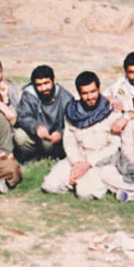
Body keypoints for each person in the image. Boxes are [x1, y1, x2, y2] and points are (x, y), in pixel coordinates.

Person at [42, 71, 121, 199]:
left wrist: (89, 163)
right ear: (79, 93)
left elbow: (115, 146)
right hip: (77, 159)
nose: (89, 97)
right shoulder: (72, 112)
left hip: (99, 162)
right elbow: (69, 141)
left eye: (93, 91)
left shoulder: (112, 112)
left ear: (99, 89)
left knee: (84, 193)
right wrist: (77, 162)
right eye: (85, 93)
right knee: (50, 185)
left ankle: (93, 184)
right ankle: (77, 181)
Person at [14, 64, 74, 162]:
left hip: (55, 138)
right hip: (35, 135)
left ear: (54, 81)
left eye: (46, 83)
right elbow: (23, 117)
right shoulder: (28, 95)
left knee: (51, 144)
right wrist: (36, 127)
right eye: (39, 85)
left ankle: (52, 159)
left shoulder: (66, 98)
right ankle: (30, 159)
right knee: (20, 136)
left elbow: (72, 124)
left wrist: (61, 133)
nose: (43, 88)